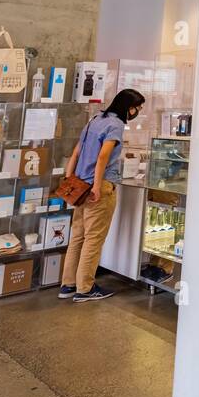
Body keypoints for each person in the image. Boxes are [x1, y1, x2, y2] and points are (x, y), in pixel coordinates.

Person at [59, 89, 145, 302]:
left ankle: (68, 284)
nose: (137, 112)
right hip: (99, 187)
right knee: (93, 239)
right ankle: (85, 288)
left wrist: (69, 179)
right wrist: (97, 186)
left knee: (78, 236)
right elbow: (103, 156)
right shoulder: (115, 125)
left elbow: (76, 152)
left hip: (79, 185)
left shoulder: (96, 119)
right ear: (128, 107)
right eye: (137, 107)